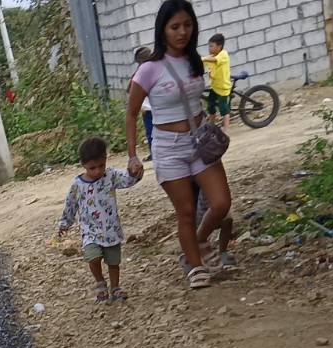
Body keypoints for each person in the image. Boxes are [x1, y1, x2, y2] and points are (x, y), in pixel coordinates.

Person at [126, 0, 233, 290]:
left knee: (221, 203)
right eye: (175, 27)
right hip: (169, 148)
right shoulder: (149, 69)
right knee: (185, 212)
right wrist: (133, 155)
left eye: (187, 25)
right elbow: (132, 112)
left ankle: (198, 240)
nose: (182, 32)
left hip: (199, 142)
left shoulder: (194, 60)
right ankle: (196, 267)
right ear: (162, 30)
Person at [55, 136, 141, 303]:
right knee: (93, 257)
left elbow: (127, 180)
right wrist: (65, 223)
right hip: (90, 231)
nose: (97, 171)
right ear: (83, 165)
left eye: (101, 166)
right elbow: (70, 204)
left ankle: (115, 288)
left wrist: (134, 173)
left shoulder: (111, 176)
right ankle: (100, 282)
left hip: (111, 230)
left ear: (105, 159)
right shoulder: (77, 184)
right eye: (92, 168)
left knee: (113, 262)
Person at [202, 33, 232, 127]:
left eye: (211, 46)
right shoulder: (211, 56)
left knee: (223, 109)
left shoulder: (223, 54)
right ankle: (211, 126)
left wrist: (202, 59)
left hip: (223, 88)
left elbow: (214, 60)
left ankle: (226, 131)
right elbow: (203, 64)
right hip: (214, 87)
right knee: (210, 106)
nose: (209, 48)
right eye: (209, 46)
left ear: (219, 46)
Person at [134, 46, 155, 160]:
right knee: (150, 133)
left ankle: (155, 153)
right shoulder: (139, 74)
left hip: (154, 108)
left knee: (154, 132)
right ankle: (153, 153)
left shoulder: (154, 71)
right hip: (147, 109)